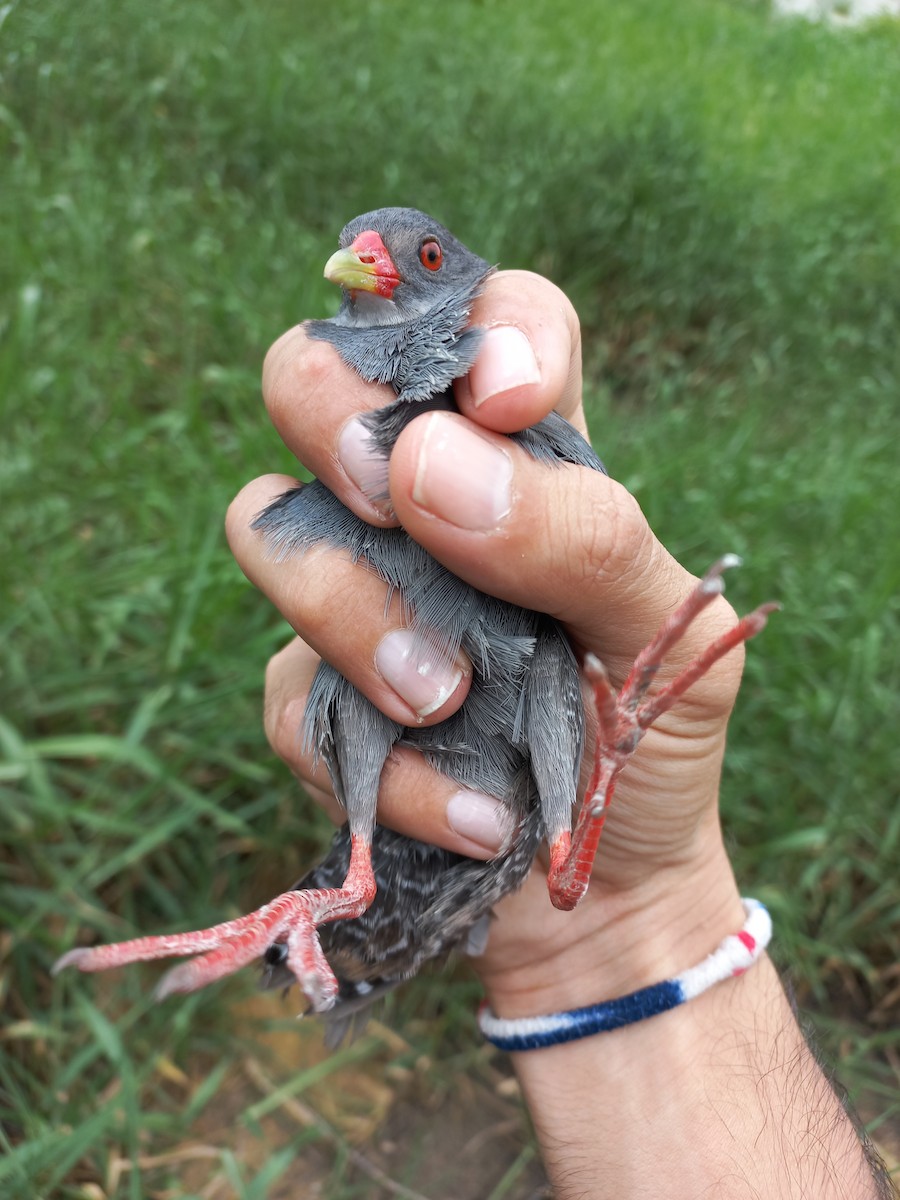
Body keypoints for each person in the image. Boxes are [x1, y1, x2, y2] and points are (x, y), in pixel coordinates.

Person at [226, 268, 891, 1199]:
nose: (364, 260)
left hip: (554, 822)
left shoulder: (494, 381)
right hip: (500, 834)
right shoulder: (375, 423)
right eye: (357, 252)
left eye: (415, 259)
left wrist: (650, 905)